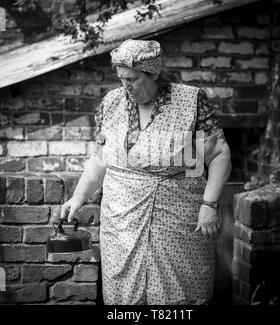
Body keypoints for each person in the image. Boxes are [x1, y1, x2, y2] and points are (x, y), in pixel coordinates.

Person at [60, 39, 232, 305]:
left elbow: (219, 154)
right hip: (121, 221)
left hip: (178, 218)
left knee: (179, 296)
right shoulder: (112, 102)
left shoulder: (189, 100)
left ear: (153, 74)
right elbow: (100, 159)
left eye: (132, 79)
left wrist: (210, 203)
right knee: (123, 298)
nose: (125, 86)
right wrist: (78, 197)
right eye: (121, 78)